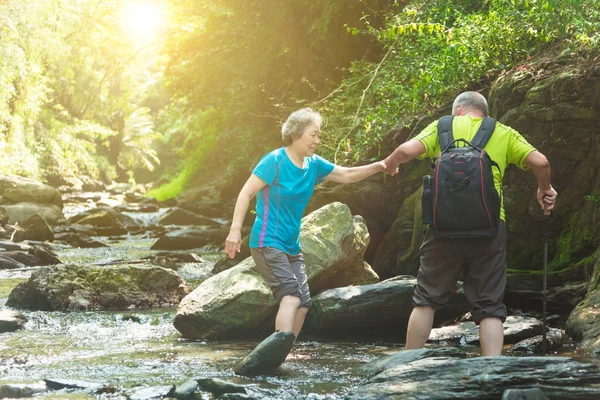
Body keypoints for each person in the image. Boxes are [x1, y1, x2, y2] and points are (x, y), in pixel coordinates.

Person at [382, 91, 558, 356]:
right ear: (483, 112)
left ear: (458, 110)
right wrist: (544, 188)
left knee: (426, 299)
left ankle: (405, 366)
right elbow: (541, 162)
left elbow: (405, 151)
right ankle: (491, 371)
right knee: (489, 304)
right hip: (489, 227)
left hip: (442, 227)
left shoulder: (443, 126)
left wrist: (391, 165)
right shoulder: (503, 132)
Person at [225, 108, 386, 364]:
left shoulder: (313, 164)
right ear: (297, 133)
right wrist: (235, 231)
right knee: (291, 296)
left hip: (291, 244)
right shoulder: (274, 161)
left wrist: (380, 166)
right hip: (268, 241)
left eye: (318, 135)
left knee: (303, 304)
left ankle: (282, 355)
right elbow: (245, 193)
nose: (317, 140)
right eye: (313, 134)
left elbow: (345, 175)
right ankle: (272, 354)